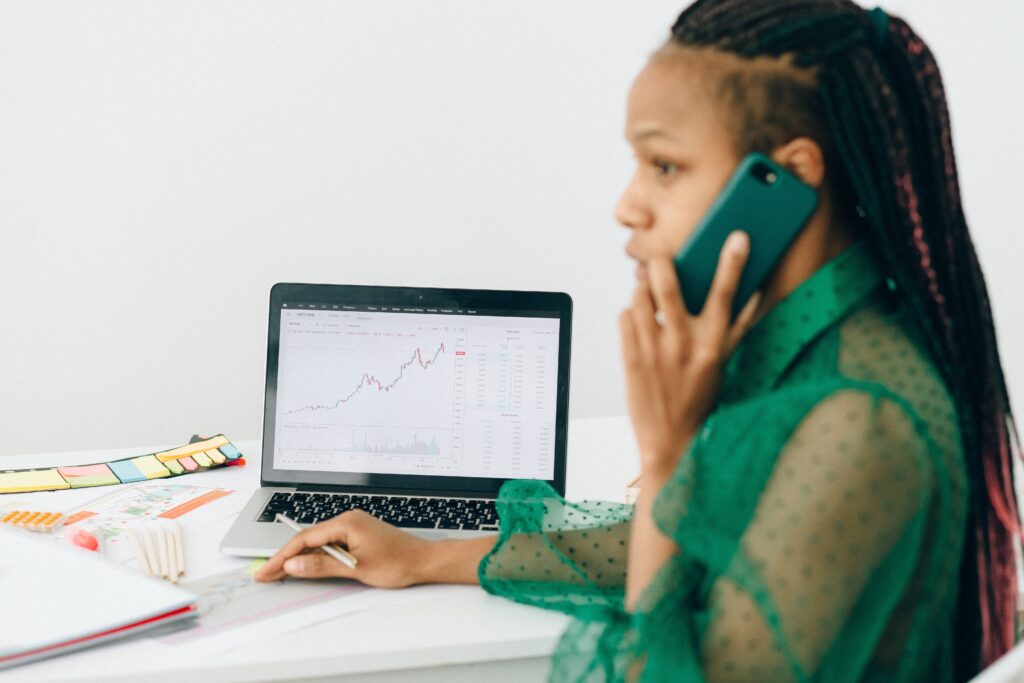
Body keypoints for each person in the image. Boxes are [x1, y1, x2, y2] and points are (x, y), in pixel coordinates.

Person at [255, 1, 1022, 680]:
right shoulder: (810, 348)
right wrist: (423, 556)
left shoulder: (855, 416)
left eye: (664, 164)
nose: (627, 205)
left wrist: (665, 452)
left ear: (785, 182)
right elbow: (709, 539)